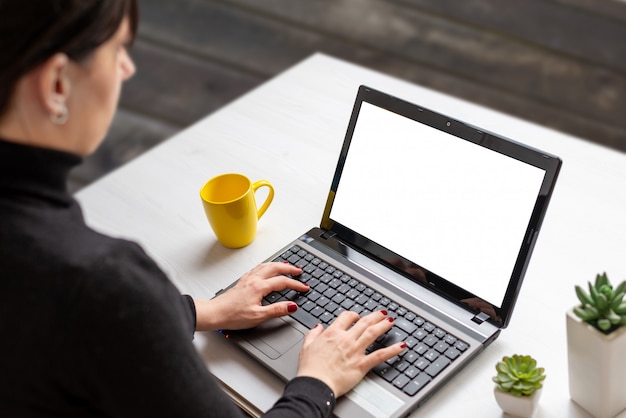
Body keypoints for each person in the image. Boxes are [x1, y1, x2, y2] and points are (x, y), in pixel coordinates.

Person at [0, 1, 406, 417]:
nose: (126, 69)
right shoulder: (99, 282)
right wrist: (318, 382)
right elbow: (97, 311)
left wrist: (202, 311)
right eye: (117, 50)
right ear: (56, 86)